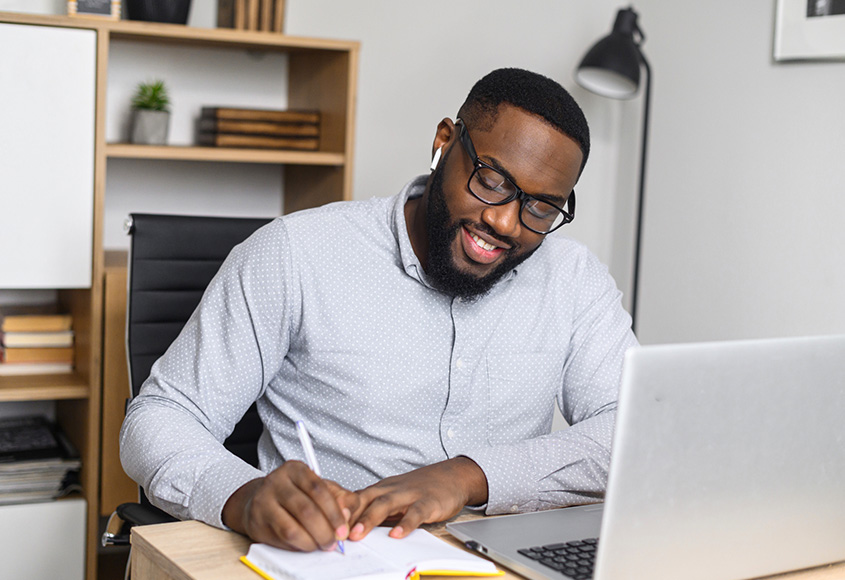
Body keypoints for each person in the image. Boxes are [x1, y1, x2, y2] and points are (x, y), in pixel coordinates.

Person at [120, 67, 637, 554]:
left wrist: (467, 476)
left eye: (541, 206)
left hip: (496, 560)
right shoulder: (295, 253)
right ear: (443, 143)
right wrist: (241, 495)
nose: (504, 221)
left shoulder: (573, 278)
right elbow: (161, 417)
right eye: (492, 180)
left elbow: (633, 431)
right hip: (338, 555)